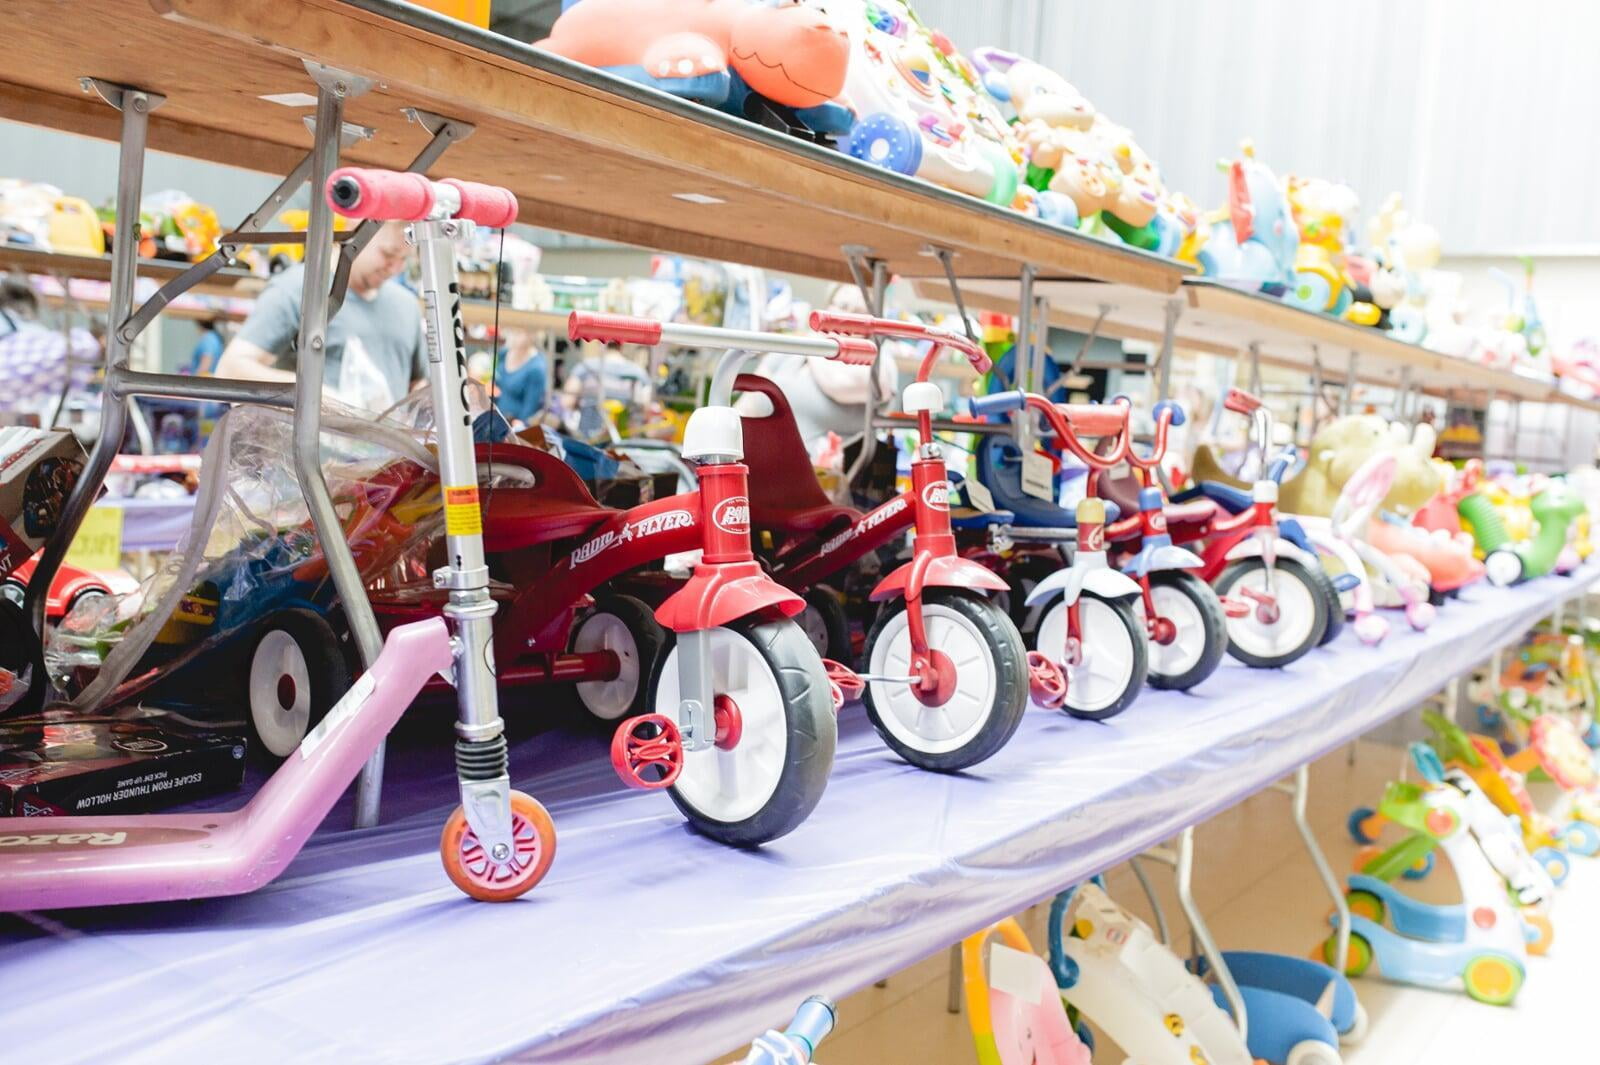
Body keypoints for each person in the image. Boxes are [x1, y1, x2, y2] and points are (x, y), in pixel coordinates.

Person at [215, 221, 424, 412]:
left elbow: (420, 386)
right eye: (388, 254)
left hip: (391, 451)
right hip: (311, 450)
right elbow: (230, 370)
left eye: (404, 259)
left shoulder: (406, 305)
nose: (396, 268)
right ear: (357, 231)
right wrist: (314, 395)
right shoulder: (299, 289)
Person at [492, 326, 549, 427]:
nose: (513, 335)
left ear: (532, 335)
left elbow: (530, 407)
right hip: (495, 417)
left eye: (519, 332)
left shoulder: (536, 367)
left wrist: (519, 426)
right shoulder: (503, 353)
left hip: (514, 425)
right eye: (513, 330)